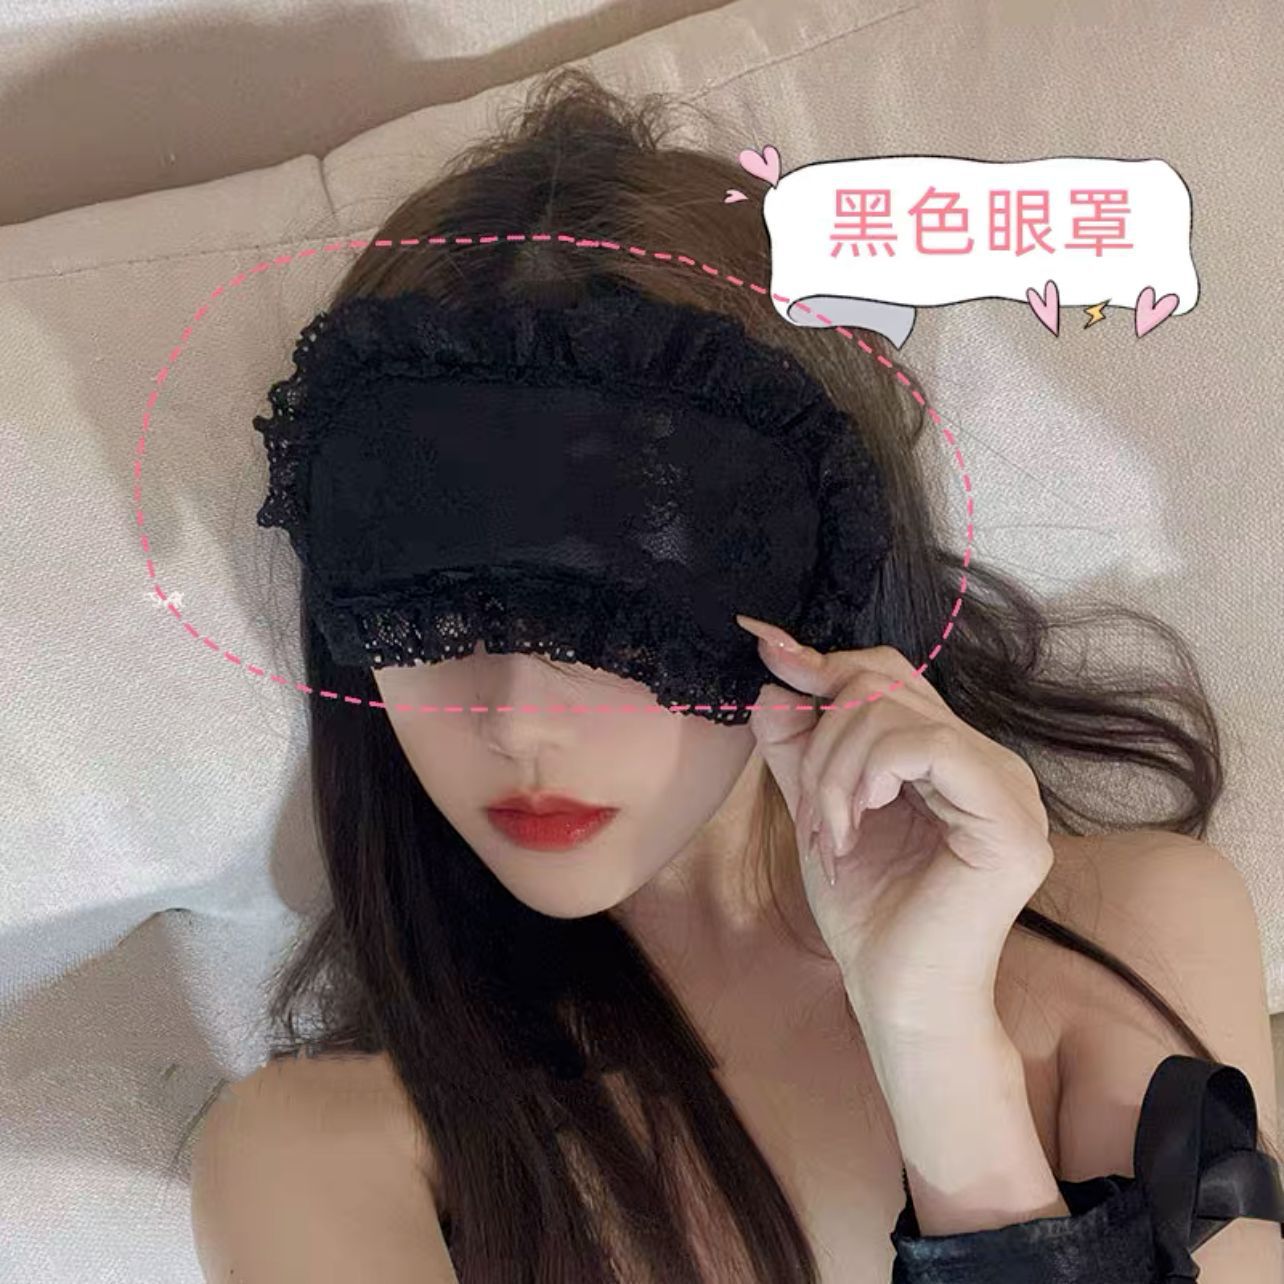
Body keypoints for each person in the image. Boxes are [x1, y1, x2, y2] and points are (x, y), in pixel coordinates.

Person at [182, 66, 1284, 1282]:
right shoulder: (319, 1158)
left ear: (816, 570)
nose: (518, 719)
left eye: (613, 618)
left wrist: (936, 1046)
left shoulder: (1131, 930)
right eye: (437, 616)